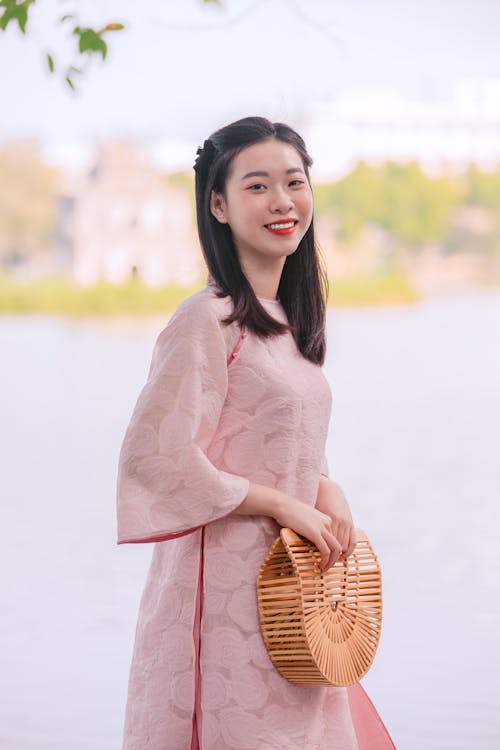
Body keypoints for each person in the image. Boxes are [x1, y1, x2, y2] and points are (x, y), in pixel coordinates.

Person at [116, 116, 395, 750]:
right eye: (257, 185)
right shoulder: (206, 320)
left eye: (295, 182)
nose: (282, 202)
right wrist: (278, 503)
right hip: (224, 596)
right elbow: (153, 458)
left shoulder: (289, 325)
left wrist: (326, 489)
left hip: (296, 590)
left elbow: (283, 440)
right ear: (217, 204)